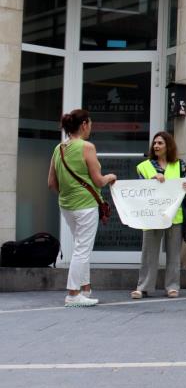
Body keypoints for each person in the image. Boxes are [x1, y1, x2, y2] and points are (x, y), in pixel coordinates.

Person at [47, 109, 116, 307]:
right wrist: (111, 177)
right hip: (86, 205)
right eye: (90, 124)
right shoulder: (87, 147)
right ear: (84, 124)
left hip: (66, 205)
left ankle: (85, 289)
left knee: (80, 245)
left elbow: (51, 183)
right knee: (82, 250)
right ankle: (73, 294)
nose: (90, 128)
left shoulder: (58, 148)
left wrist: (69, 193)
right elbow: (99, 180)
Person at [132, 131, 186, 299]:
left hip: (175, 215)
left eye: (160, 143)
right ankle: (143, 287)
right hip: (152, 216)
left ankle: (172, 287)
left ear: (168, 146)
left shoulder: (180, 165)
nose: (156, 146)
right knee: (148, 253)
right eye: (155, 143)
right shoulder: (144, 166)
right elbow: (138, 191)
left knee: (174, 254)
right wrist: (150, 180)